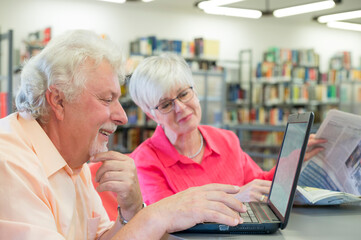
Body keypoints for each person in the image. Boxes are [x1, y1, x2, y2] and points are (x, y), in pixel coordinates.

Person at [0, 30, 247, 240]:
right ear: (58, 101)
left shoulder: (75, 162)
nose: (122, 117)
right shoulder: (8, 162)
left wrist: (131, 211)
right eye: (107, 99)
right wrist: (156, 215)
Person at [128, 53, 326, 205]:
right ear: (151, 115)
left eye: (183, 94)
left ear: (195, 91)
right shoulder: (144, 162)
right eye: (165, 104)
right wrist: (236, 198)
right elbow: (167, 221)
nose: (180, 107)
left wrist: (293, 161)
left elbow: (259, 184)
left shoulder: (226, 140)